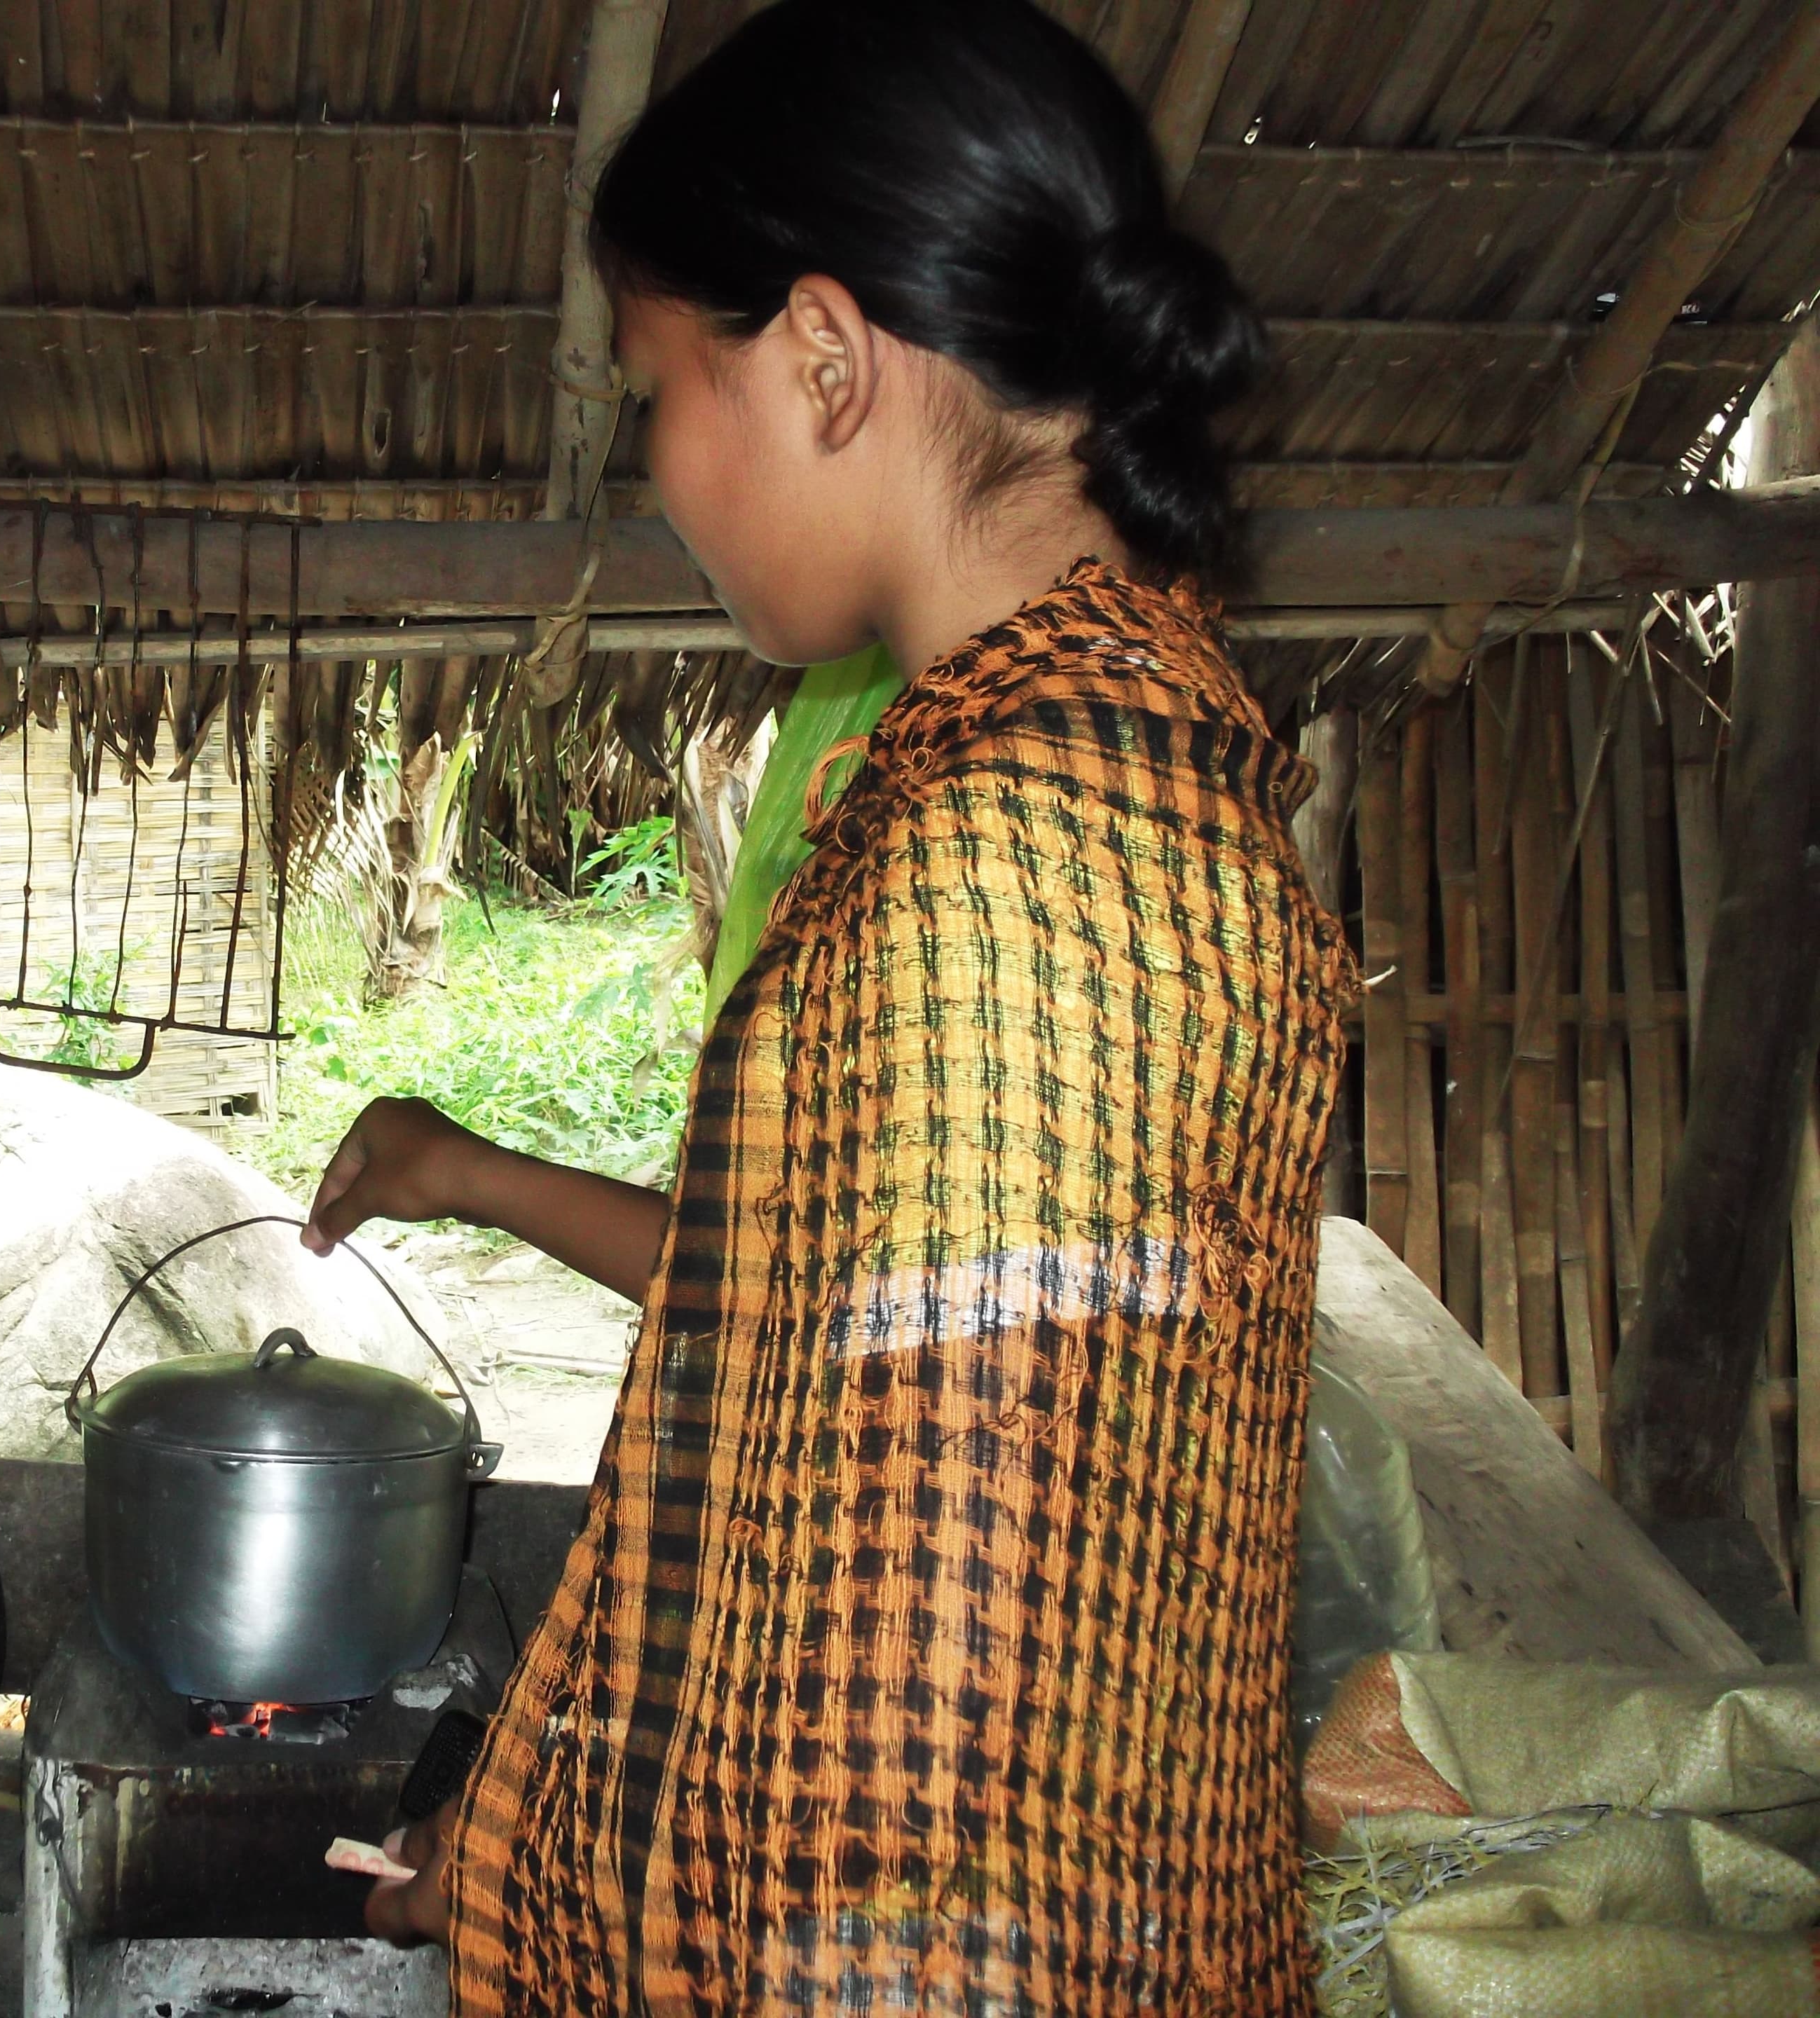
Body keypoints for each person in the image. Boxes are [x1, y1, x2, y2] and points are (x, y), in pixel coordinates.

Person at [303, 1, 1355, 2010]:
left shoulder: (1015, 865)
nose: (659, 470)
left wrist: (561, 1895)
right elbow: (843, 1421)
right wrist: (542, 1825)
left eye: (656, 390)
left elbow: (911, 1714)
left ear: (818, 354)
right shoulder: (1076, 788)